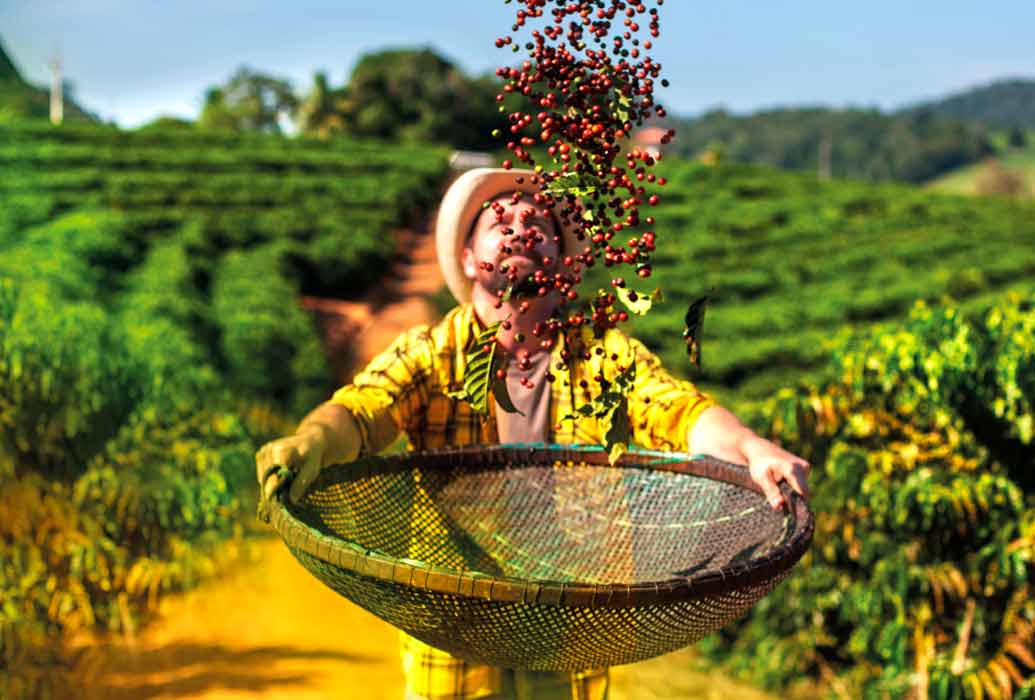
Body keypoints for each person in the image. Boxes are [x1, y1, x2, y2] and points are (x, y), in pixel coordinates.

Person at [255, 168, 811, 700]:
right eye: (502, 223)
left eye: (540, 226)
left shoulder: (600, 355)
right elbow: (359, 411)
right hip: (454, 624)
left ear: (561, 264)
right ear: (470, 260)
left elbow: (677, 410)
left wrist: (750, 447)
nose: (521, 230)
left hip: (567, 620)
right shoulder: (434, 353)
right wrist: (310, 442)